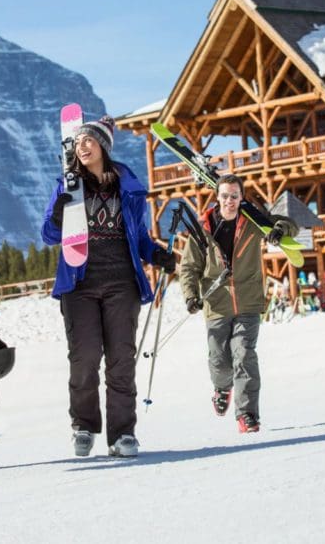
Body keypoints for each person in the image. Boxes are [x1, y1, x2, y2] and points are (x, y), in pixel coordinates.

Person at [41, 116, 173, 458]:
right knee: (84, 358)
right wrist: (59, 211)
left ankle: (123, 434)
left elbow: (140, 236)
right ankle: (83, 427)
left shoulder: (127, 187)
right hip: (79, 282)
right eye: (79, 141)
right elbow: (49, 234)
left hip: (121, 283)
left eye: (90, 140)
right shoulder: (67, 185)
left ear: (103, 146)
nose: (83, 146)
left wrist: (157, 254)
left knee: (120, 361)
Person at [178, 174, 298, 434]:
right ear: (217, 197)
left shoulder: (254, 222)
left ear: (241, 197)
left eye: (234, 196)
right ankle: (222, 388)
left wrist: (280, 231)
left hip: (248, 303)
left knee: (244, 355)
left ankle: (247, 415)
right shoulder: (203, 229)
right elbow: (188, 267)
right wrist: (189, 295)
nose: (229, 201)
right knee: (219, 361)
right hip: (216, 304)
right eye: (224, 196)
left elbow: (289, 225)